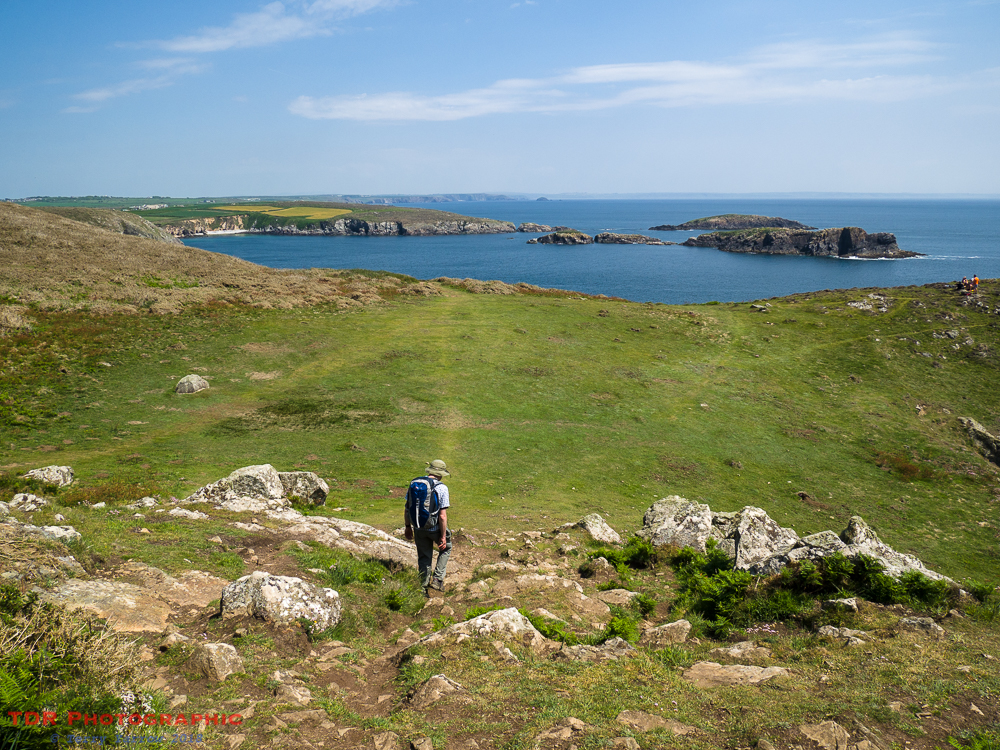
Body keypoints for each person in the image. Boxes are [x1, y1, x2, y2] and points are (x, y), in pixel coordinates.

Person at [404, 459, 452, 594]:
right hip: (434, 528)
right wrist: (442, 536)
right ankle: (437, 580)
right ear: (441, 474)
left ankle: (422, 588)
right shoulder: (442, 488)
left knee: (424, 557)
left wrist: (408, 527)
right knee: (446, 547)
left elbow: (407, 508)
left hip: (418, 527)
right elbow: (442, 516)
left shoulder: (414, 484)